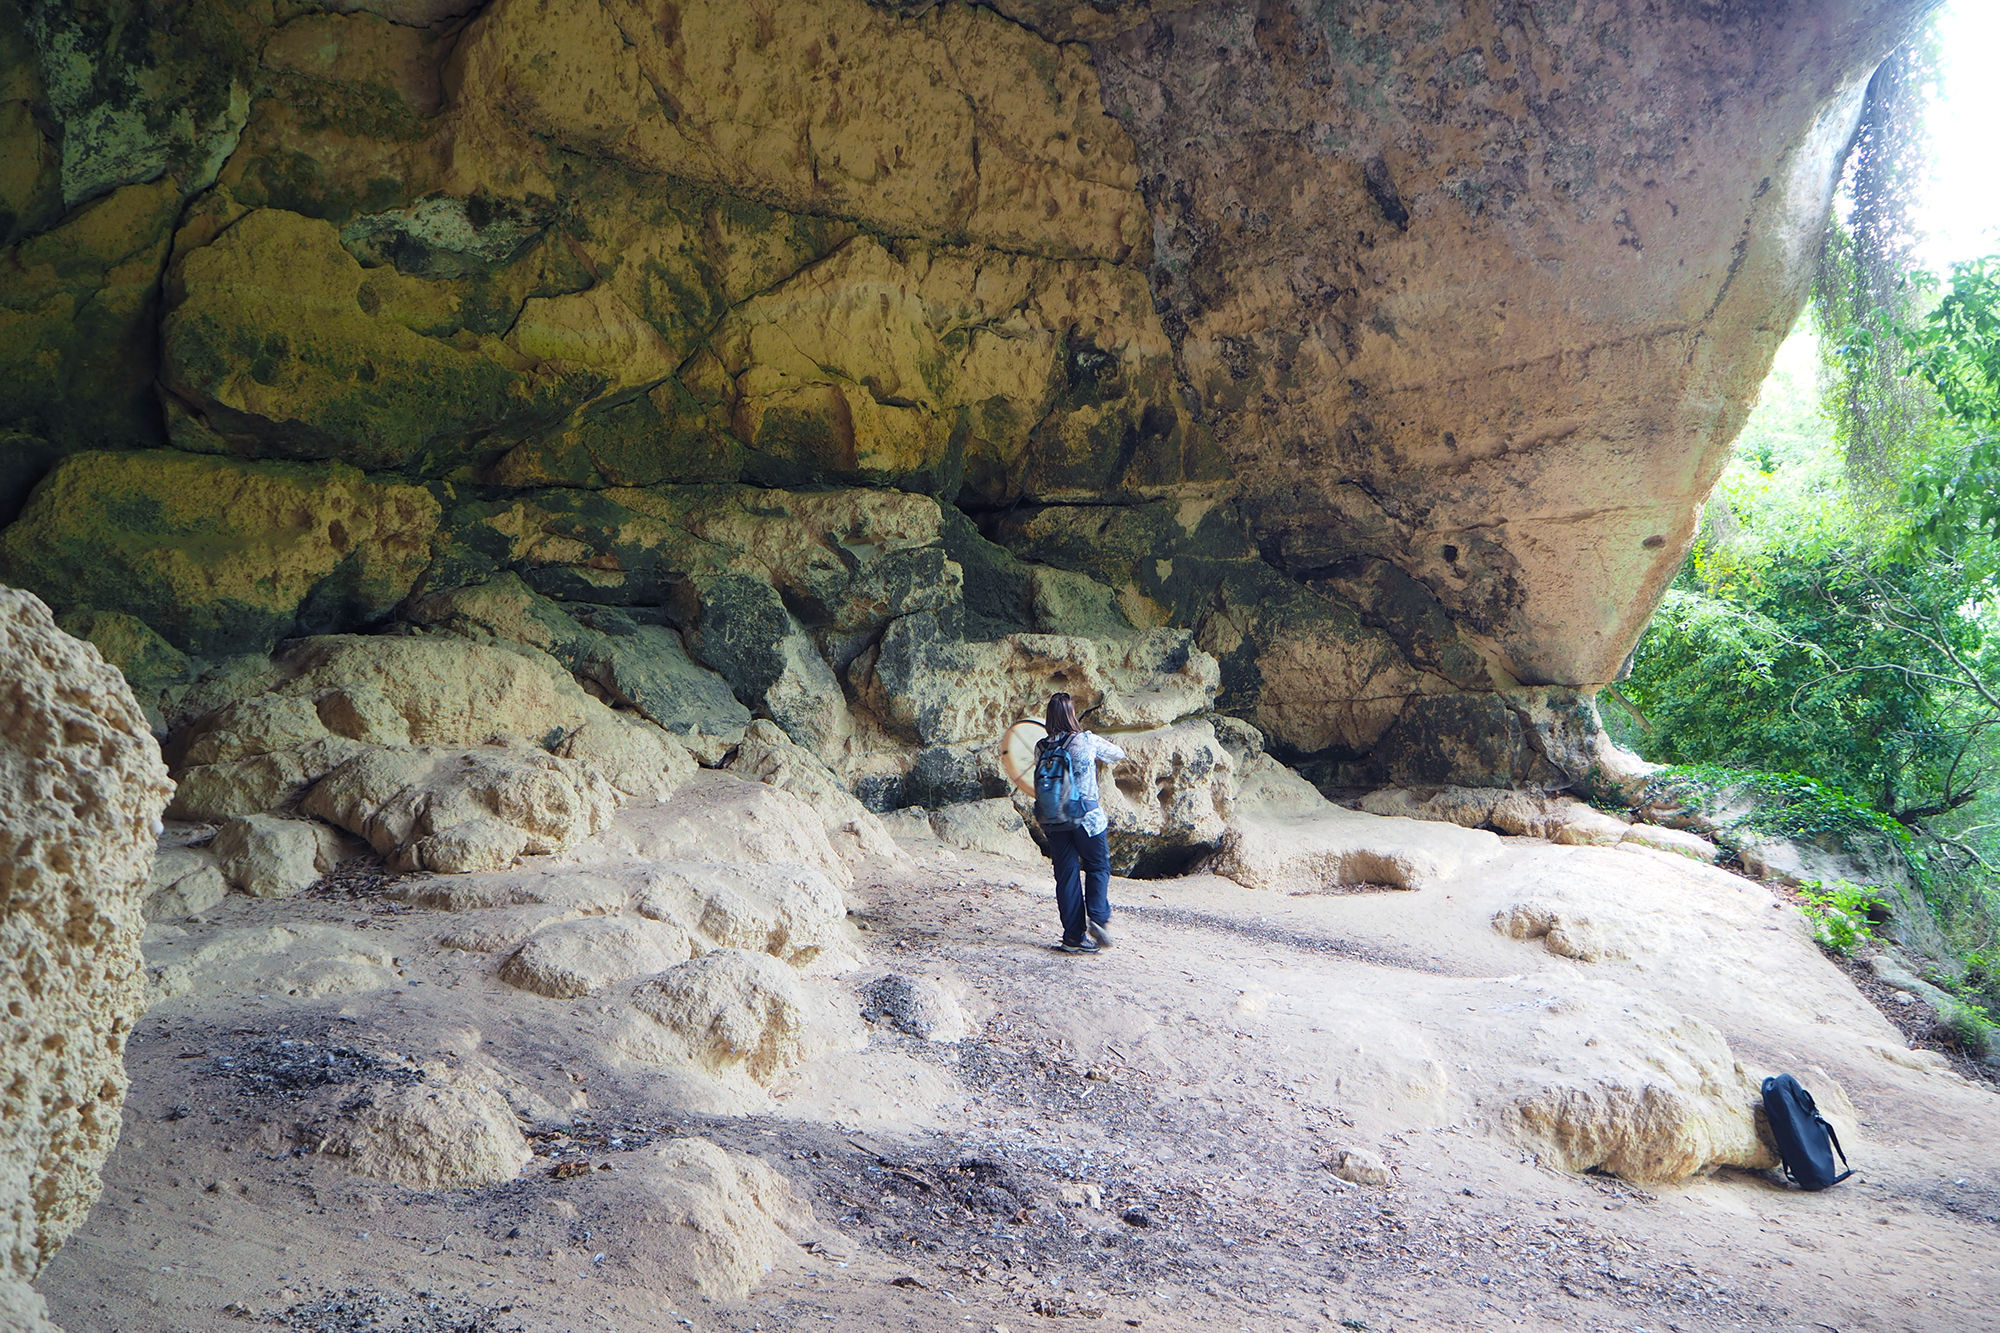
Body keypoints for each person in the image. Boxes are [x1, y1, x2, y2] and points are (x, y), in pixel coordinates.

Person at [1030, 692, 1125, 955]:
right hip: (1087, 818)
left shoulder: (1041, 747)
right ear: (1072, 714)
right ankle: (1097, 917)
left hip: (1054, 820)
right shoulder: (1086, 740)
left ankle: (1072, 937)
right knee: (1097, 866)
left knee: (1066, 874)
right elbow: (1119, 754)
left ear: (1049, 717)